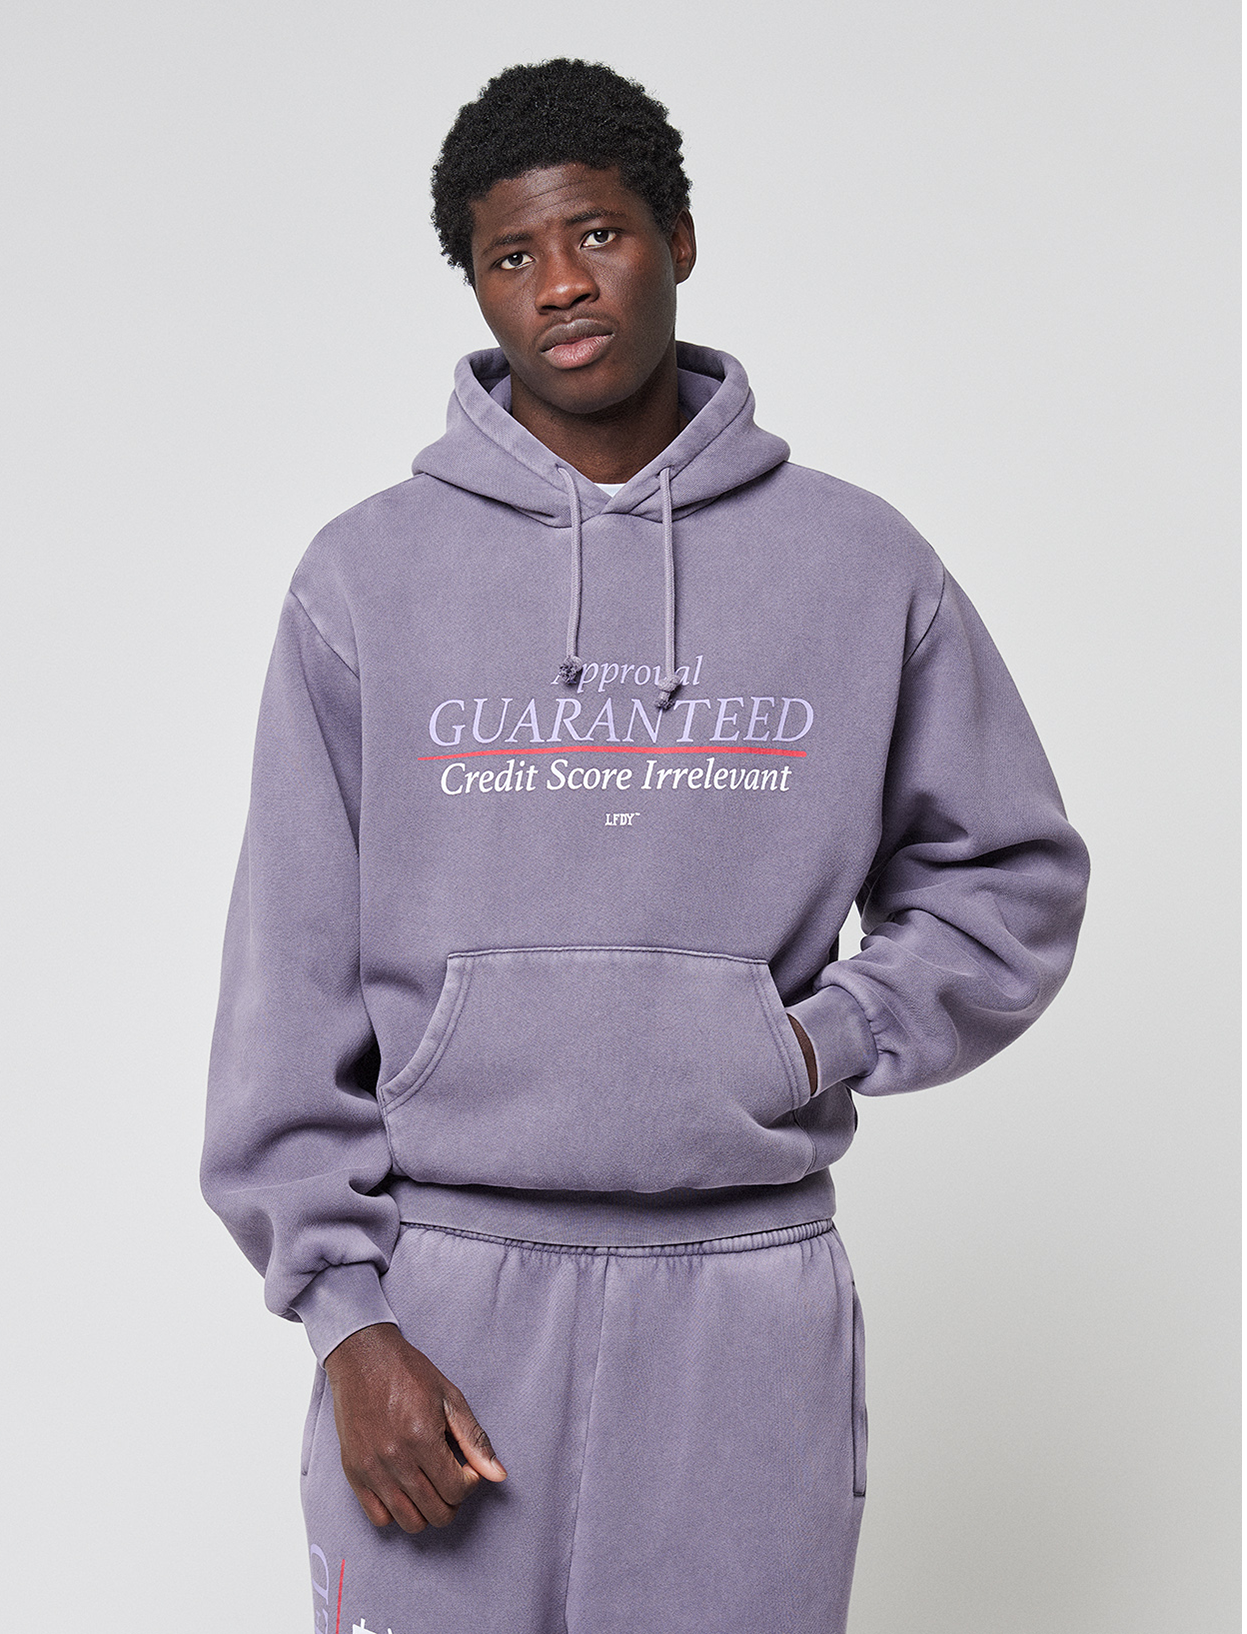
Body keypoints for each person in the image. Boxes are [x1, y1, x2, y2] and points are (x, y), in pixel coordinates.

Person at [202, 58, 1089, 1634]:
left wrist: (817, 1035)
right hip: (443, 1296)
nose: (559, 284)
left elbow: (1007, 879)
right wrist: (348, 1320)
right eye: (511, 255)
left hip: (744, 1295)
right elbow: (288, 975)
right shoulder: (366, 579)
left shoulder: (857, 562)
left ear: (677, 238)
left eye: (596, 234)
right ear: (477, 287)